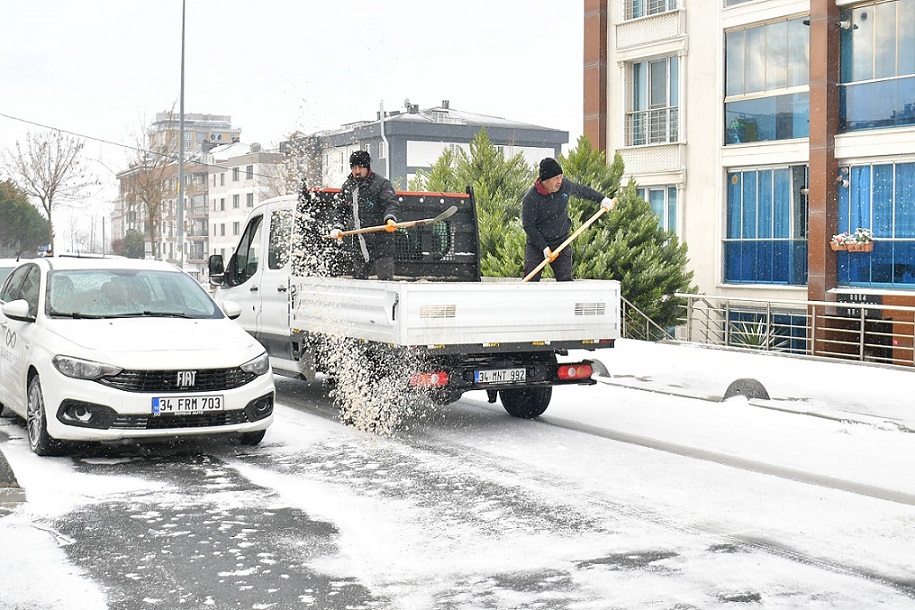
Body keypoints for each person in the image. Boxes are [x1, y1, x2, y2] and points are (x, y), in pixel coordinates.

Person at [521, 157, 616, 282]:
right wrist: (544, 247)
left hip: (561, 242)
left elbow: (582, 191)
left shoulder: (564, 186)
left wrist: (602, 199)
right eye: (555, 178)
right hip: (537, 245)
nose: (559, 181)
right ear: (545, 180)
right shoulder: (531, 198)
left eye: (560, 176)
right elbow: (528, 226)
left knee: (565, 281)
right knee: (530, 282)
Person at [329, 150, 400, 280]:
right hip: (360, 243)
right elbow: (340, 210)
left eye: (361, 167)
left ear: (367, 168)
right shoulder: (347, 187)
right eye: (354, 167)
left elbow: (391, 203)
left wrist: (390, 218)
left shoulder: (381, 184)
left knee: (385, 280)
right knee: (359, 283)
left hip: (381, 242)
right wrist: (337, 226)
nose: (357, 171)